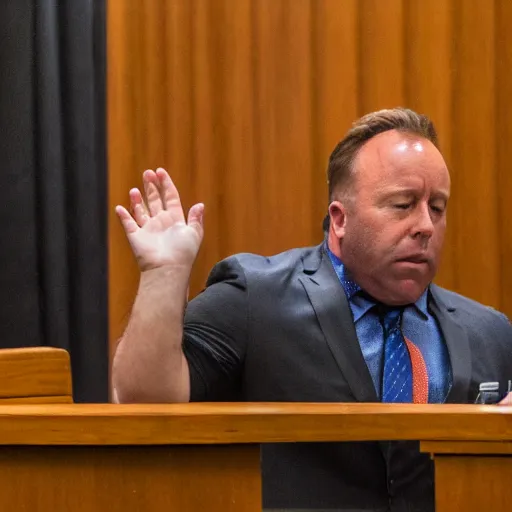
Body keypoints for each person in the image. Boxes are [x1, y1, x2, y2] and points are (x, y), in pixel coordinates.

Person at [112, 108, 512, 511]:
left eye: (437, 207)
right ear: (339, 219)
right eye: (403, 204)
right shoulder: (255, 297)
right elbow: (143, 398)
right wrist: (162, 276)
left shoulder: (490, 332)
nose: (425, 224)